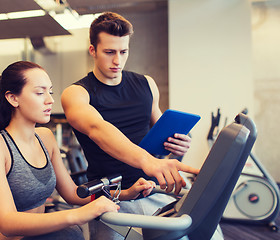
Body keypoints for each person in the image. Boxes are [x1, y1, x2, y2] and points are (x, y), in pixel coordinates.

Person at [0, 61, 156, 240]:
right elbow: (7, 223)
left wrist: (124, 193)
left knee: (71, 234)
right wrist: (77, 215)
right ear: (13, 98)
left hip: (34, 237)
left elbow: (72, 193)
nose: (50, 100)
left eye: (50, 91)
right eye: (39, 92)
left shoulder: (45, 137)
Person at [61, 12, 200, 239]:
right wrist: (148, 161)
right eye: (109, 52)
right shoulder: (77, 93)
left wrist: (179, 143)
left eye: (123, 52)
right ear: (93, 51)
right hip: (112, 197)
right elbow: (98, 129)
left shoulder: (147, 84)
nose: (117, 61)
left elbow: (160, 128)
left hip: (154, 189)